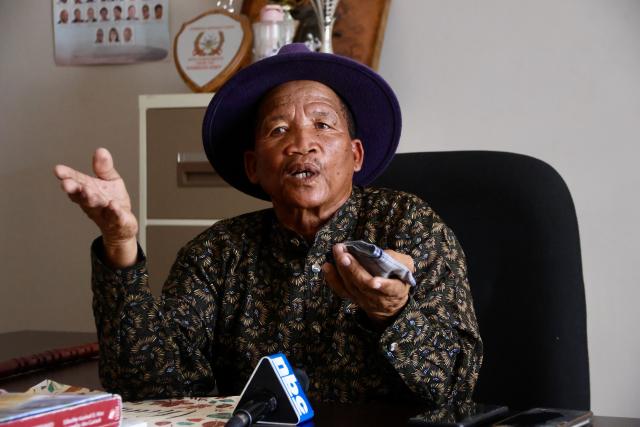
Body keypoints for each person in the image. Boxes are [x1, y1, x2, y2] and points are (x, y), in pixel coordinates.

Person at [54, 44, 482, 406]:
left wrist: (392, 315)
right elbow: (150, 390)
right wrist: (120, 244)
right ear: (254, 166)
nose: (301, 144)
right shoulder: (215, 254)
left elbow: (456, 387)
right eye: (278, 129)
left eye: (322, 124)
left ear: (355, 156)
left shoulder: (410, 224)